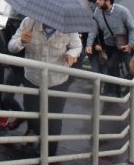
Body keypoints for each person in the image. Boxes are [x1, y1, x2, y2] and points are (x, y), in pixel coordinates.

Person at [7, 17, 81, 156]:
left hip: (57, 81)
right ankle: (40, 134)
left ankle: (49, 154)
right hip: (32, 79)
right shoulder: (29, 22)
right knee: (31, 113)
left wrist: (71, 53)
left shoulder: (70, 26)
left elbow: (77, 46)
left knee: (54, 119)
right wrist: (21, 41)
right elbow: (11, 46)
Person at [86, 0, 134, 97]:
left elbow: (132, 28)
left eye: (100, 0)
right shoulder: (97, 12)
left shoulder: (122, 11)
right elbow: (93, 29)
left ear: (108, 2)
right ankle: (117, 92)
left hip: (121, 45)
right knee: (114, 69)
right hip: (108, 45)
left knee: (111, 66)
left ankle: (112, 90)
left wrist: (130, 45)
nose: (97, 1)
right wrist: (89, 45)